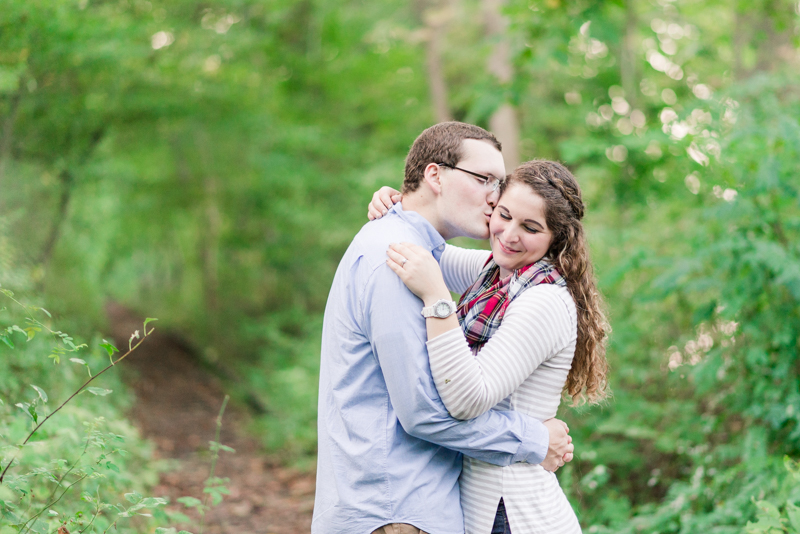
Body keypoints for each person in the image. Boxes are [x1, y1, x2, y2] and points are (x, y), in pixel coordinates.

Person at [313, 123, 575, 534]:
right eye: (484, 180)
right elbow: (423, 412)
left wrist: (398, 205)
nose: (495, 198)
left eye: (499, 183)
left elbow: (452, 261)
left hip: (419, 508)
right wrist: (534, 439)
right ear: (435, 175)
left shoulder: (429, 257)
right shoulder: (398, 260)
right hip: (396, 512)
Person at [368, 160, 610, 534]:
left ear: (555, 239)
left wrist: (437, 297)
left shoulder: (542, 301)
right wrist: (396, 208)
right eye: (505, 215)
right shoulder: (495, 274)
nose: (509, 235)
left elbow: (466, 399)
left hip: (513, 512)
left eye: (530, 228)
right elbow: (418, 249)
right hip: (486, 507)